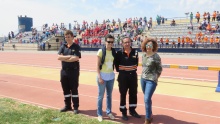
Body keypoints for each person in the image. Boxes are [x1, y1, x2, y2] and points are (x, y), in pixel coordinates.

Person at [114, 37, 140, 121]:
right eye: (125, 42)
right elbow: (116, 65)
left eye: (128, 42)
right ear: (122, 43)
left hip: (133, 76)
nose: (127, 44)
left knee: (133, 93)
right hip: (123, 77)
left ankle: (132, 110)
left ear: (131, 43)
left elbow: (136, 63)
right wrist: (123, 71)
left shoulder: (135, 52)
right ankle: (123, 112)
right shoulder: (119, 53)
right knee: (123, 94)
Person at [57, 30, 81, 114]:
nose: (67, 38)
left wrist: (65, 58)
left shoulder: (76, 47)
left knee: (74, 90)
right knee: (65, 90)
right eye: (66, 37)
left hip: (73, 72)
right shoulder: (63, 46)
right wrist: (69, 57)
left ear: (72, 37)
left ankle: (75, 107)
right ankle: (67, 106)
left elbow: (76, 58)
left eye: (68, 36)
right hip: (64, 72)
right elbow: (59, 57)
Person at [140, 38, 163, 124]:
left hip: (151, 80)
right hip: (143, 79)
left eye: (150, 45)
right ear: (145, 46)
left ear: (153, 47)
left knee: (146, 99)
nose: (148, 46)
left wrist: (155, 78)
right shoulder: (144, 55)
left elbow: (159, 69)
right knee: (148, 98)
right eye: (147, 45)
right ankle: (150, 113)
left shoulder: (156, 56)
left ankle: (147, 119)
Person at [96, 34, 116, 122]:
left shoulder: (114, 51)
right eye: (108, 42)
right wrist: (99, 77)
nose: (110, 43)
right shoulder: (101, 51)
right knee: (100, 96)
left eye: (112, 42)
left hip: (111, 77)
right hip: (102, 77)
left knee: (109, 96)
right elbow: (97, 65)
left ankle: (109, 112)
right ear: (105, 42)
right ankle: (99, 114)